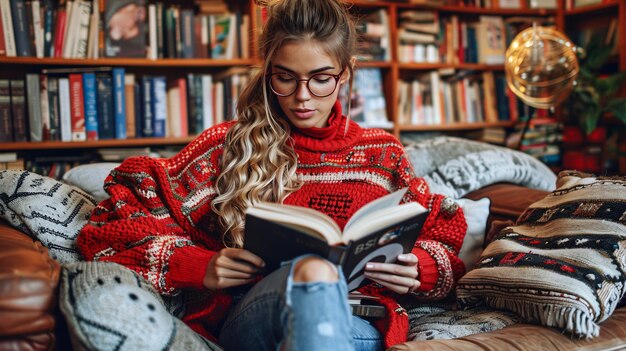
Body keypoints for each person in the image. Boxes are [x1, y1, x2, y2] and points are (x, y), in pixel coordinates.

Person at [77, 0, 467, 350]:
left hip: (356, 324)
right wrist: (198, 265)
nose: (302, 96)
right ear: (267, 72)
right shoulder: (224, 148)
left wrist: (421, 268)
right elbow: (111, 228)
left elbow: (443, 239)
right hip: (254, 318)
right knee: (314, 272)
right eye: (285, 77)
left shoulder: (383, 154)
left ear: (345, 74)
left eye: (320, 78)